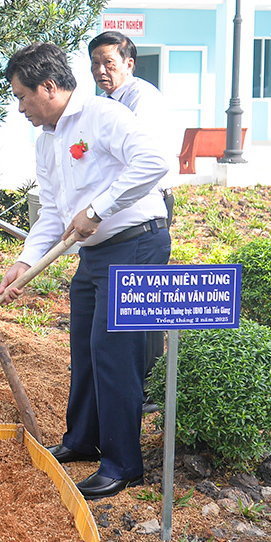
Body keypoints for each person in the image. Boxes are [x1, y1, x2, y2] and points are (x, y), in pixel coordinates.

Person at [0, 43, 171, 501]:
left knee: (114, 351)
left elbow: (155, 162)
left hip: (136, 244)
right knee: (86, 347)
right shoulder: (47, 140)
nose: (20, 108)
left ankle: (121, 463)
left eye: (22, 97)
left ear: (48, 87)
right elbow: (53, 213)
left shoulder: (103, 116)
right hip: (94, 255)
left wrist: (98, 207)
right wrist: (24, 263)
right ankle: (83, 440)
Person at [88, 30, 178, 394]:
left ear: (128, 63)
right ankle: (139, 379)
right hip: (121, 207)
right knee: (129, 305)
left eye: (108, 62)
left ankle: (147, 383)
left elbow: (143, 161)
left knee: (141, 302)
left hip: (146, 206)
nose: (100, 71)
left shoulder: (141, 99)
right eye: (95, 64)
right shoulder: (110, 100)